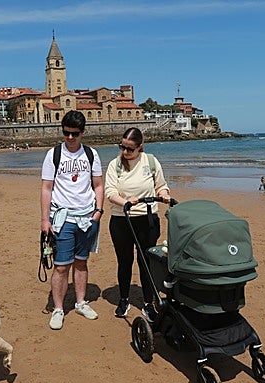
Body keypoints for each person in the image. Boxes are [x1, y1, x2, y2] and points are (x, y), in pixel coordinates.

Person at [40, 110, 104, 330]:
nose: (70, 138)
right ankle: (58, 309)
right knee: (60, 266)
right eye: (66, 133)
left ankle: (81, 302)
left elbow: (98, 185)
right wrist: (44, 220)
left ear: (83, 132)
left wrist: (98, 212)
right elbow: (46, 188)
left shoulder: (91, 155)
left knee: (81, 262)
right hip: (62, 218)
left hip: (87, 217)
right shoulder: (53, 154)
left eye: (74, 134)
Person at [104, 127, 171, 321]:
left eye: (129, 149)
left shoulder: (151, 161)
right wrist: (124, 202)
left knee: (146, 262)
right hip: (121, 220)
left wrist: (164, 194)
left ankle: (148, 302)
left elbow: (161, 185)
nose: (124, 152)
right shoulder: (115, 165)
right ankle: (124, 299)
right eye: (122, 147)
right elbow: (110, 191)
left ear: (140, 147)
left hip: (147, 219)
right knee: (125, 261)